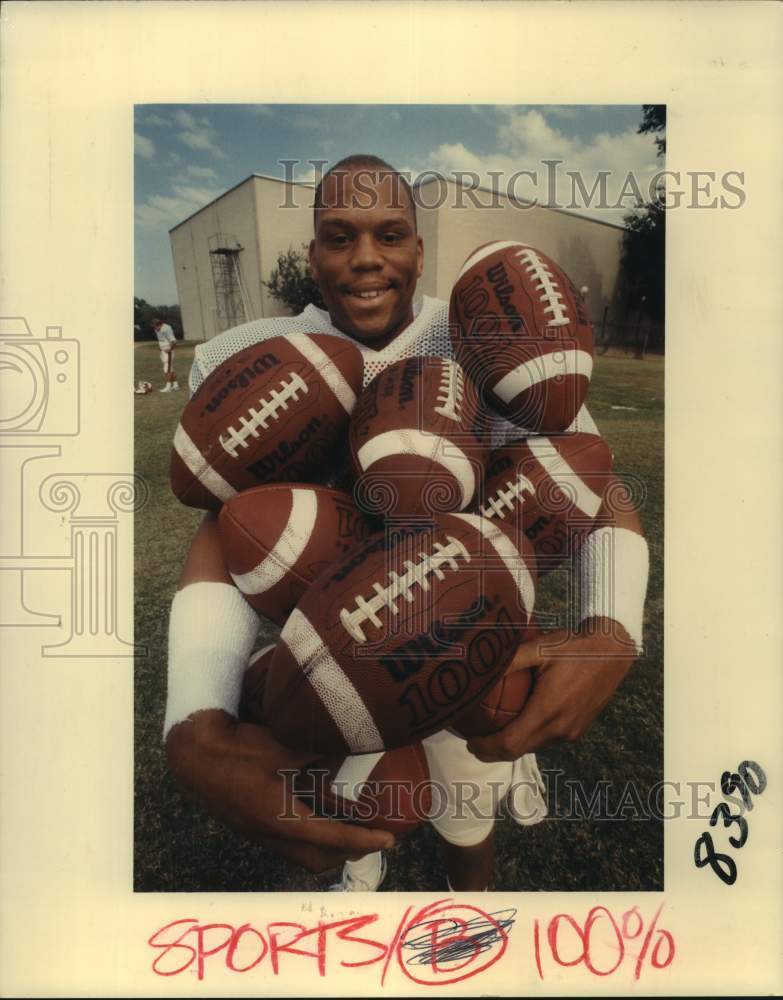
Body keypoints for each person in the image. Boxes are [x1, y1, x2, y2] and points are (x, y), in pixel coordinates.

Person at [164, 155, 649, 891]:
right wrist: (194, 713)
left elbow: (593, 479)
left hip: (463, 623)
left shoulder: (482, 329)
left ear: (419, 251)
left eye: (389, 234)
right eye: (339, 236)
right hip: (338, 630)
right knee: (355, 807)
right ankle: (361, 871)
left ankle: (470, 903)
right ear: (313, 254)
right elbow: (222, 527)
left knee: (467, 804)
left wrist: (612, 627)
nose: (366, 257)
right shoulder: (242, 354)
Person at [152, 318, 179, 392]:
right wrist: (160, 347)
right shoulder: (157, 329)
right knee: (170, 368)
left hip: (168, 351)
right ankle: (175, 385)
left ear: (159, 325)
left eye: (155, 327)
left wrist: (170, 350)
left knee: (167, 369)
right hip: (163, 351)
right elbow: (161, 339)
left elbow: (174, 341)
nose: (155, 329)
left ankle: (168, 387)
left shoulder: (166, 329)